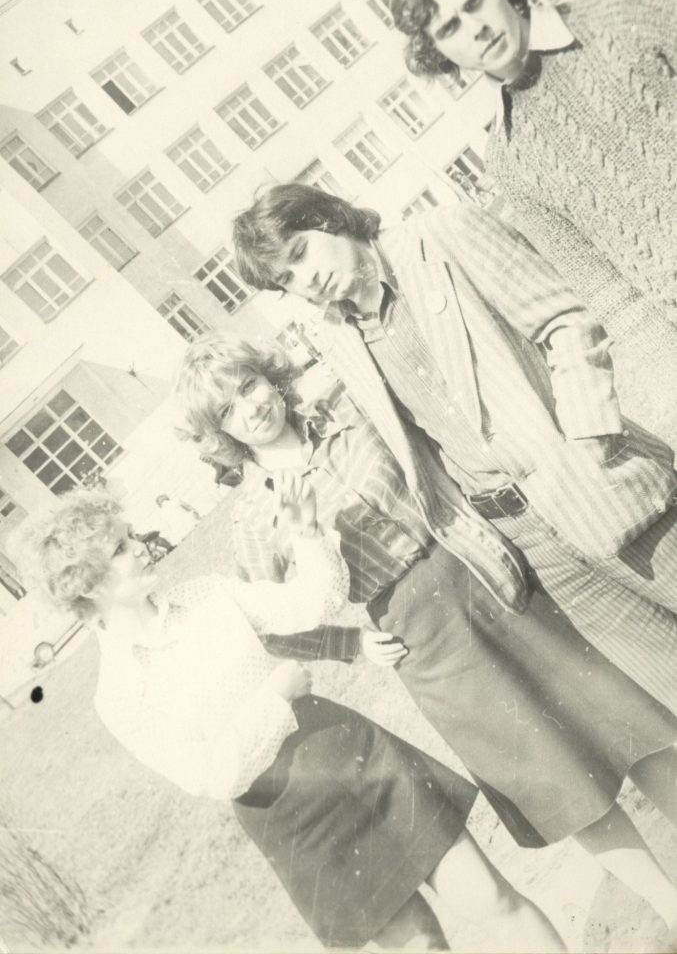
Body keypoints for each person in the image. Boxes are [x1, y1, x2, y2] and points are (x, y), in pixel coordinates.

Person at [174, 329, 677, 946]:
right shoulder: (256, 517)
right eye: (228, 409)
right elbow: (269, 627)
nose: (250, 408)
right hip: (426, 644)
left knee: (627, 721)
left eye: (249, 385)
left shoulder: (351, 412)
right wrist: (346, 645)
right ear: (220, 434)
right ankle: (669, 905)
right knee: (559, 783)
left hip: (488, 572)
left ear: (268, 376)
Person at [15, 485, 565, 953]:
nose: (140, 545)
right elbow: (209, 774)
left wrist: (304, 530)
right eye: (120, 547)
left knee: (492, 899)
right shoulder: (117, 694)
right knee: (421, 946)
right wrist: (276, 698)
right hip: (289, 818)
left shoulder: (205, 594)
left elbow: (313, 604)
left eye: (130, 535)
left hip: (351, 755)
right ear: (87, 583)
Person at [231, 183, 677, 716]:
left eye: (301, 253)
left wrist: (587, 445)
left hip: (604, 488)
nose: (306, 280)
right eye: (287, 279)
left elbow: (566, 323)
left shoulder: (444, 235)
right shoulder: (337, 338)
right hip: (533, 547)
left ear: (328, 219)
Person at [389, 0, 677, 443]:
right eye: (450, 27)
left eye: (475, 1)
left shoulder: (624, 10)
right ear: (439, 52)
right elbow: (616, 299)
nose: (476, 29)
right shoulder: (509, 161)